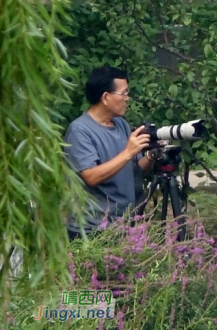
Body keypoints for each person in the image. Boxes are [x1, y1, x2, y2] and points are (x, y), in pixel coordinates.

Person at [64, 66, 157, 240]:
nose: (127, 99)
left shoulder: (121, 124)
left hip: (123, 225)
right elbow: (91, 177)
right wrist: (128, 152)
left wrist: (152, 156)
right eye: (124, 93)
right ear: (106, 97)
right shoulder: (80, 130)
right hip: (91, 229)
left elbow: (135, 170)